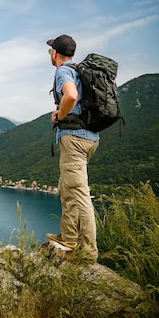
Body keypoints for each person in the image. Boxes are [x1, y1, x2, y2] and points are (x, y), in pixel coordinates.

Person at [46, 34, 99, 263]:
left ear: (54, 53)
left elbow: (71, 95)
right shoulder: (81, 71)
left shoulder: (63, 71)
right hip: (89, 138)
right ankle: (69, 237)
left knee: (79, 194)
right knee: (67, 187)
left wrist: (60, 114)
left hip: (75, 139)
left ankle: (88, 253)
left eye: (50, 51)